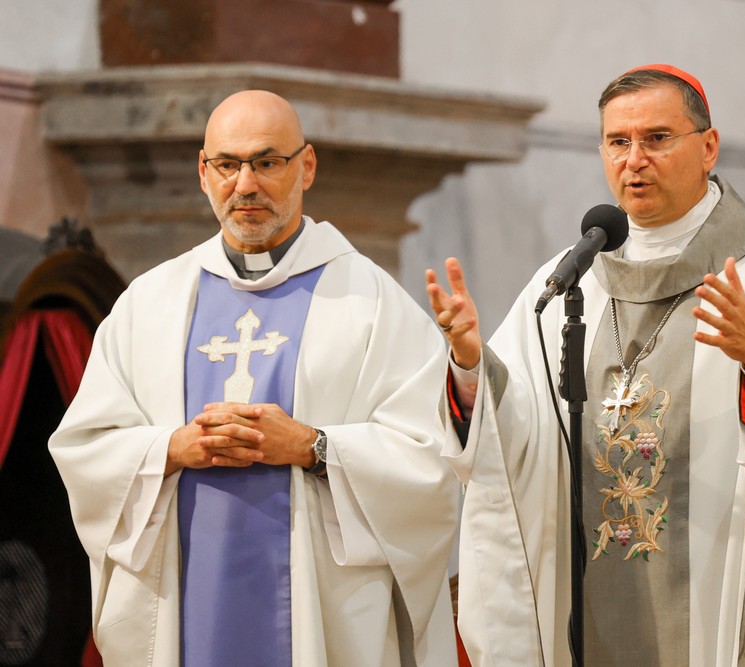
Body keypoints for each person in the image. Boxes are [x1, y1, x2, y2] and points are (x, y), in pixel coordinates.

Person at [426, 64, 745, 666]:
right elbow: (517, 438)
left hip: (710, 587)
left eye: (656, 138)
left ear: (708, 147)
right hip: (591, 595)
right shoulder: (566, 281)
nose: (634, 159)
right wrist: (469, 366)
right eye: (618, 142)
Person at [49, 90, 459, 667]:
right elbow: (83, 447)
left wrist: (315, 448)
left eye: (267, 162)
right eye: (227, 164)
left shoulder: (371, 303)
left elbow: (430, 459)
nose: (245, 184)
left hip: (321, 611)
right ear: (203, 171)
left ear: (306, 167)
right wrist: (170, 447)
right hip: (184, 601)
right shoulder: (151, 303)